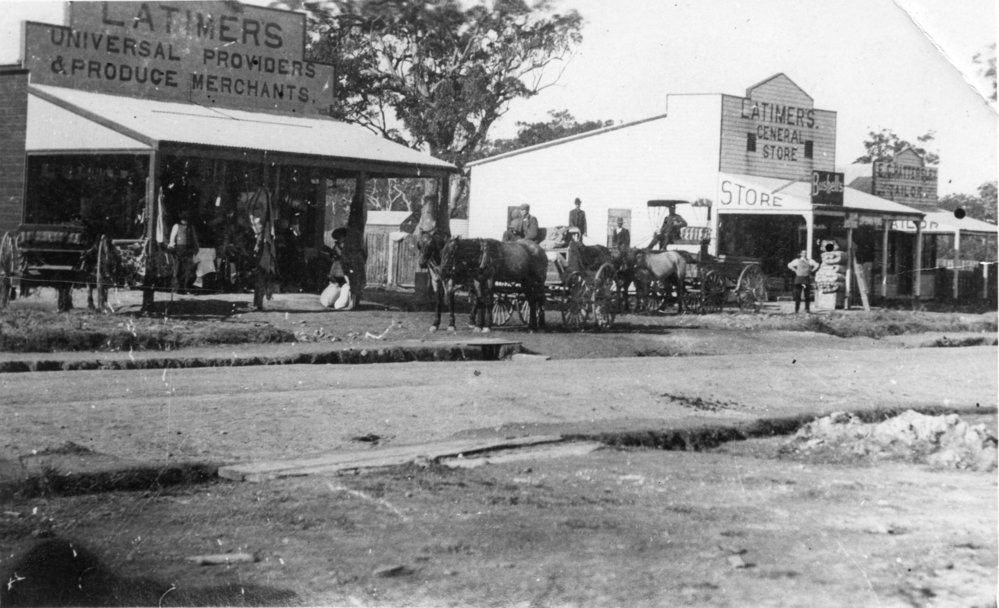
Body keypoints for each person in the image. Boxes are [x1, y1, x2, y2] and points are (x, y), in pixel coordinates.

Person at [167, 211, 199, 293]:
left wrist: (196, 247)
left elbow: (194, 238)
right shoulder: (177, 226)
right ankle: (178, 287)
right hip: (180, 249)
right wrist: (171, 245)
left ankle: (184, 287)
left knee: (187, 269)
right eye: (184, 219)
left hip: (188, 249)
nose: (185, 222)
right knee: (179, 268)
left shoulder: (190, 227)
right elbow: (172, 237)